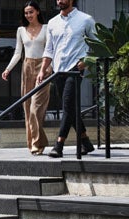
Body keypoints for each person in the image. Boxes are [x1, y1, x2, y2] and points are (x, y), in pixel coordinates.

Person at [36, 0, 97, 158]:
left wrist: (86, 61)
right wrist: (43, 70)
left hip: (75, 69)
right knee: (71, 108)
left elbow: (98, 44)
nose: (59, 1)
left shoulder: (86, 19)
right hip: (58, 71)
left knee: (68, 106)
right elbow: (49, 49)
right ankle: (86, 142)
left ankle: (59, 145)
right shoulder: (52, 23)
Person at [2, 1, 51, 155]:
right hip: (27, 67)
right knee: (27, 108)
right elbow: (18, 52)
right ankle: (33, 144)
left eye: (31, 12)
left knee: (35, 109)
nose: (28, 15)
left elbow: (50, 50)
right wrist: (8, 69)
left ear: (37, 12)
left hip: (43, 68)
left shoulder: (47, 28)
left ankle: (38, 143)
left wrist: (50, 68)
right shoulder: (21, 30)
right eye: (26, 13)